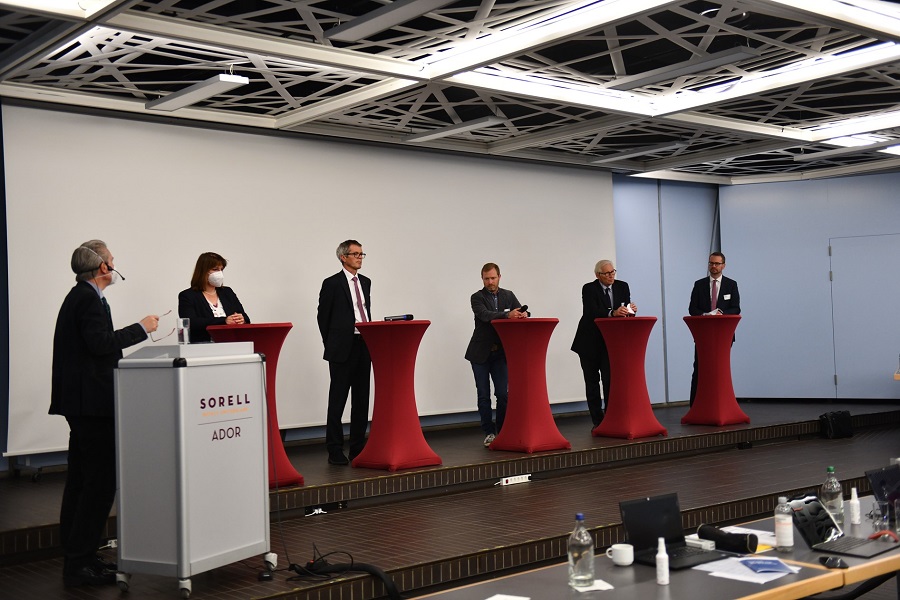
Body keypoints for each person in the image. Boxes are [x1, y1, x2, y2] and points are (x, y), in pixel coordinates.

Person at [50, 240, 159, 587]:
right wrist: (142, 328)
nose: (114, 265)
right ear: (103, 268)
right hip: (92, 405)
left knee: (82, 480)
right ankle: (79, 561)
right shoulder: (87, 299)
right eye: (112, 261)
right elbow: (100, 345)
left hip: (83, 404)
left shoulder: (82, 297)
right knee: (99, 483)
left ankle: (79, 554)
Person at [317, 240, 371, 465]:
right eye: (355, 254)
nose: (359, 257)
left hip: (364, 344)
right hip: (341, 347)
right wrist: (332, 344)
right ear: (343, 257)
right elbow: (323, 317)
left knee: (361, 400)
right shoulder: (332, 283)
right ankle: (335, 450)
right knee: (337, 400)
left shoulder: (366, 282)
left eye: (362, 254)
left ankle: (358, 448)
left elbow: (364, 311)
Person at [464, 263, 528, 448]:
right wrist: (508, 316)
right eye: (486, 279)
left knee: (503, 394)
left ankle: (502, 430)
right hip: (480, 353)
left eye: (493, 278)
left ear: (500, 276)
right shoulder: (477, 297)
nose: (490, 282)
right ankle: (489, 432)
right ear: (482, 279)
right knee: (483, 395)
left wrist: (522, 315)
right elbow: (485, 315)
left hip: (500, 352)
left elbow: (521, 311)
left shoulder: (508, 295)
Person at [571, 260, 637, 428]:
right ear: (597, 275)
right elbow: (591, 311)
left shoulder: (622, 286)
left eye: (612, 272)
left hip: (610, 343)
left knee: (610, 380)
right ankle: (598, 421)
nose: (611, 276)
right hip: (589, 343)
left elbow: (624, 309)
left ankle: (611, 416)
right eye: (606, 274)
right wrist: (612, 313)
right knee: (592, 382)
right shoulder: (589, 288)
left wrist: (630, 311)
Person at [688, 251, 740, 405]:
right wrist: (705, 315)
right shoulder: (699, 284)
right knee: (699, 368)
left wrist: (721, 313)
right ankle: (695, 406)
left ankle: (721, 404)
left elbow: (736, 308)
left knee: (720, 370)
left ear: (723, 265)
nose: (714, 266)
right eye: (711, 263)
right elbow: (692, 309)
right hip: (703, 334)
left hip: (723, 335)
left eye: (717, 264)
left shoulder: (731, 284)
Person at [178, 252, 249, 343]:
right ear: (203, 271)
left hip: (232, 342)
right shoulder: (188, 295)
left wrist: (241, 319)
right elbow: (191, 322)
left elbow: (246, 318)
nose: (219, 273)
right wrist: (224, 321)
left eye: (221, 269)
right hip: (203, 345)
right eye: (215, 269)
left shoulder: (227, 292)